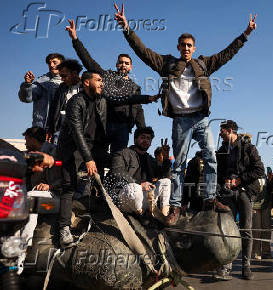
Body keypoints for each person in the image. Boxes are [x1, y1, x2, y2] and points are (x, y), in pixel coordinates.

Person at [114, 4, 257, 225]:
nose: (186, 48)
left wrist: (245, 34)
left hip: (200, 118)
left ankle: (209, 199)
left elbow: (227, 54)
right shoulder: (168, 63)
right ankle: (176, 206)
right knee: (179, 164)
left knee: (210, 156)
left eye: (189, 45)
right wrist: (127, 28)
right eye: (183, 45)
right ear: (178, 47)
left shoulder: (203, 63)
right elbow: (142, 52)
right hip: (180, 120)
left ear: (194, 47)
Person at [56, 71, 157, 247]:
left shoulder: (103, 98)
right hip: (73, 149)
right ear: (86, 82)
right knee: (68, 187)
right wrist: (88, 159)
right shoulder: (75, 102)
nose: (102, 83)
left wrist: (149, 98)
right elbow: (77, 132)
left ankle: (108, 204)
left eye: (103, 80)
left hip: (96, 148)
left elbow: (125, 99)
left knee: (116, 166)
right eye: (99, 80)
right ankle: (64, 229)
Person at [66, 19, 146, 153]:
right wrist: (75, 39)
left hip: (123, 128)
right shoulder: (106, 77)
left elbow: (138, 110)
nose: (123, 65)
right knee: (98, 156)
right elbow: (89, 62)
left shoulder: (135, 87)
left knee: (118, 158)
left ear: (131, 67)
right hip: (104, 124)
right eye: (121, 62)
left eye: (127, 63)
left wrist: (142, 130)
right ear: (116, 65)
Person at [214, 120, 264, 280]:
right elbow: (218, 172)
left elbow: (259, 170)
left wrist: (240, 180)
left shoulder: (249, 148)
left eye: (221, 130)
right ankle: (225, 266)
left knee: (246, 230)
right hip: (227, 194)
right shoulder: (221, 150)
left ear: (229, 130)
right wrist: (224, 182)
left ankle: (246, 266)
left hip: (246, 192)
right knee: (227, 229)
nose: (219, 133)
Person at [109, 127, 171, 216]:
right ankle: (142, 217)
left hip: (145, 198)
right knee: (135, 187)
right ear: (135, 140)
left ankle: (163, 217)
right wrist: (139, 184)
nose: (145, 140)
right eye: (142, 137)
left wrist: (166, 158)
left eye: (148, 138)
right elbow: (117, 172)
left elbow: (164, 174)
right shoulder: (122, 154)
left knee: (166, 182)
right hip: (125, 196)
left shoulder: (150, 159)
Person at [18, 53, 65, 129]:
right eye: (49, 63)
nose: (51, 65)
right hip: (42, 130)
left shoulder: (72, 83)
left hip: (64, 130)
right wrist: (27, 84)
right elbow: (26, 98)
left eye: (54, 62)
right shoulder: (41, 83)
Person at [46, 59, 83, 143]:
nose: (62, 79)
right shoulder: (61, 89)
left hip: (81, 132)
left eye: (64, 76)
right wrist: (50, 129)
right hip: (61, 132)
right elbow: (53, 110)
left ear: (74, 73)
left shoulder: (86, 87)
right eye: (61, 76)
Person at [22, 127, 58, 191]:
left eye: (26, 140)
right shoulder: (29, 153)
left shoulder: (55, 152)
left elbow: (63, 178)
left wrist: (50, 186)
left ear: (33, 140)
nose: (25, 143)